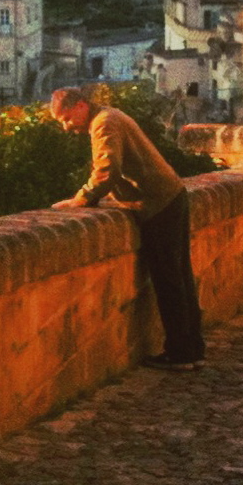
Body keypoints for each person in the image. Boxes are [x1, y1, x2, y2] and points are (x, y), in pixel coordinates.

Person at [49, 87, 205, 371]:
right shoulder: (109, 116)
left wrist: (82, 198)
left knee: (169, 279)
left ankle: (181, 353)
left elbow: (108, 170)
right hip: (170, 196)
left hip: (156, 203)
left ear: (82, 105)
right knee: (179, 275)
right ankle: (192, 347)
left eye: (68, 118)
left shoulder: (103, 123)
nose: (67, 126)